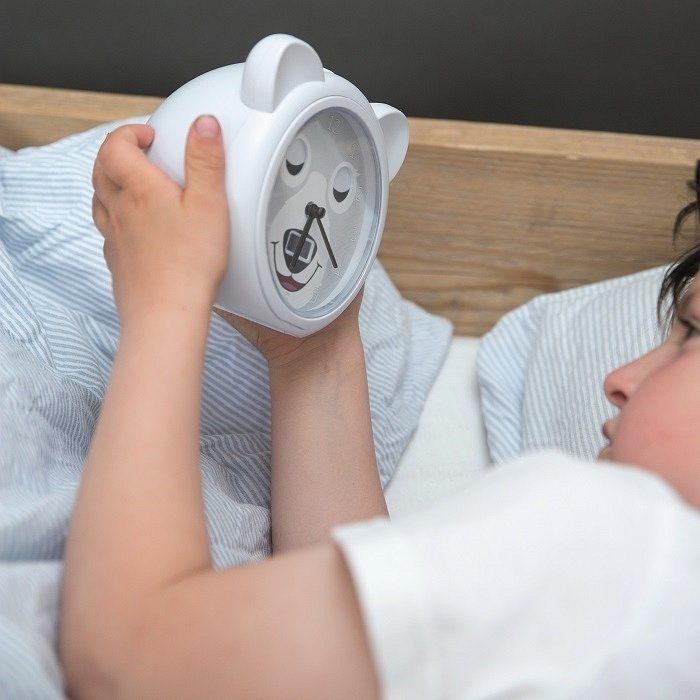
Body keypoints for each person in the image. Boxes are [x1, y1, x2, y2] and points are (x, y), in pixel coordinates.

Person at [58, 117, 700, 699]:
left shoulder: (629, 541)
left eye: (691, 333)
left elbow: (129, 663)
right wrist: (312, 354)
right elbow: (355, 652)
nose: (620, 378)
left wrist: (164, 301)